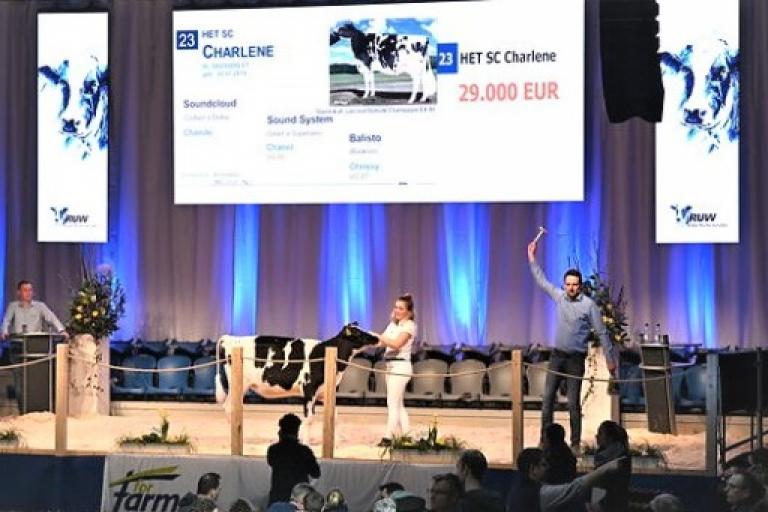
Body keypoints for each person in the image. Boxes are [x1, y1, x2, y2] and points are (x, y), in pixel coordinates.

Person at [527, 240, 618, 449]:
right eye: (568, 284)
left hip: (575, 359)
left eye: (575, 284)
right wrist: (532, 257)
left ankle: (575, 443)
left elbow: (602, 333)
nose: (571, 288)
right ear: (564, 285)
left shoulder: (589, 306)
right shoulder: (559, 297)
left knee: (573, 403)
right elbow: (541, 281)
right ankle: (546, 440)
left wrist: (610, 359)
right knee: (547, 400)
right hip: (557, 357)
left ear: (580, 285)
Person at [506, 447, 625, 512]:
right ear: (533, 469)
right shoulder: (539, 494)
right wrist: (607, 468)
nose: (548, 468)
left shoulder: (516, 490)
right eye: (543, 465)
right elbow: (575, 488)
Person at [372, 293, 417, 446]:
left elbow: (396, 344)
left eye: (401, 308)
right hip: (390, 366)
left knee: (392, 403)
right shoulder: (393, 325)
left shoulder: (409, 326)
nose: (397, 310)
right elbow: (381, 342)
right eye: (396, 307)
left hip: (401, 366)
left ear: (409, 312)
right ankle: (407, 435)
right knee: (398, 404)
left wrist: (378, 336)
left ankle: (388, 437)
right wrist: (365, 340)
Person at [267, 414, 321, 505]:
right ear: (297, 432)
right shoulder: (305, 451)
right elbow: (316, 473)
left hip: (278, 499)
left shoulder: (273, 450)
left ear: (281, 432)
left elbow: (271, 462)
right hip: (299, 501)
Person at [1, 280, 68, 339]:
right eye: (25, 290)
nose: (28, 293)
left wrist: (62, 331)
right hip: (18, 340)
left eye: (30, 290)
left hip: (35, 340)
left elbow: (52, 318)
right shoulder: (13, 306)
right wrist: (4, 331)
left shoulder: (40, 306)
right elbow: (6, 321)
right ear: (18, 292)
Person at [591, 420, 631, 512]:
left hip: (610, 504)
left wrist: (595, 502)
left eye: (600, 433)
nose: (597, 436)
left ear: (610, 438)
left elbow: (602, 482)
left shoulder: (616, 458)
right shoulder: (620, 453)